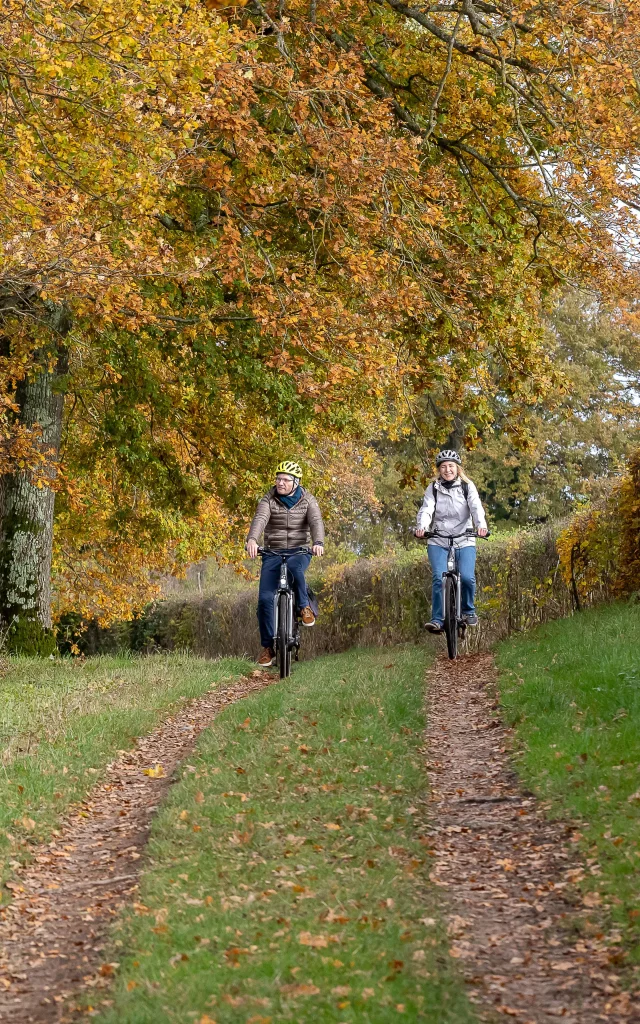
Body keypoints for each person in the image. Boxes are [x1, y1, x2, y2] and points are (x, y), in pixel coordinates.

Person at [246, 460, 325, 666]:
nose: (280, 483)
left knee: (294, 568)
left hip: (299, 551)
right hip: (273, 552)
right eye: (278, 479)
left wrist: (318, 542)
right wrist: (252, 540)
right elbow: (260, 519)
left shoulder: (308, 500)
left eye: (285, 480)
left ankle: (303, 607)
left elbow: (316, 522)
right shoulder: (268, 500)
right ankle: (268, 647)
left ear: (296, 483)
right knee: (264, 599)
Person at [415, 449, 488, 633]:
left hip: (464, 538)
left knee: (468, 577)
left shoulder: (467, 486)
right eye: (443, 467)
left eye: (451, 466)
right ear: (439, 470)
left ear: (457, 468)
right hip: (439, 539)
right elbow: (427, 509)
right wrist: (422, 527)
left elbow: (476, 506)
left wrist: (481, 525)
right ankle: (437, 620)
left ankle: (468, 610)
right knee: (439, 578)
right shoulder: (433, 488)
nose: (447, 470)